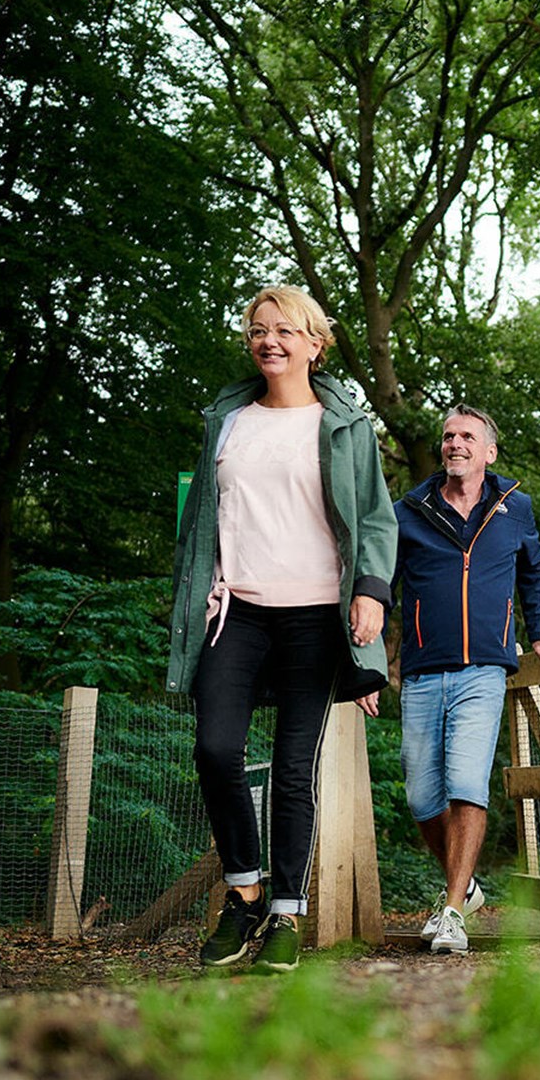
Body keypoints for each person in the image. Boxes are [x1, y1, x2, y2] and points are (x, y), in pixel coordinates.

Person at [166, 285, 396, 972]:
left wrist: (371, 593)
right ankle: (243, 894)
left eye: (286, 331)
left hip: (316, 614)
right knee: (215, 749)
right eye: (259, 330)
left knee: (295, 768)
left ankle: (287, 914)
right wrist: (199, 584)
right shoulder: (228, 421)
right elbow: (201, 515)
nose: (270, 341)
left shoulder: (345, 426)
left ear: (314, 345)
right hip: (235, 610)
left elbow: (375, 518)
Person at [369, 405, 540, 955]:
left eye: (467, 436)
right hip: (422, 671)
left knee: (467, 783)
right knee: (422, 797)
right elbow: (380, 589)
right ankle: (465, 886)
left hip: (485, 670)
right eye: (448, 436)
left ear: (488, 451)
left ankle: (451, 912)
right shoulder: (408, 512)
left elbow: (533, 570)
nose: (455, 443)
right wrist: (371, 663)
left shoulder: (514, 508)